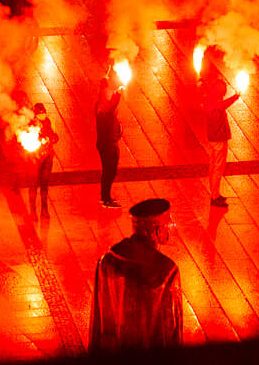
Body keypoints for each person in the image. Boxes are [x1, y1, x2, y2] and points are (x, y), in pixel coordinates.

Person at [89, 197, 183, 352]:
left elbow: (98, 319)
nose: (172, 227)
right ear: (157, 231)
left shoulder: (108, 260)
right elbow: (172, 327)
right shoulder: (167, 271)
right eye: (169, 223)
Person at [201, 65, 241, 207]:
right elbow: (223, 105)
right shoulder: (216, 103)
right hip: (219, 140)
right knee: (218, 168)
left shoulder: (209, 100)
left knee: (213, 167)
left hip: (212, 138)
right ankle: (215, 196)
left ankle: (215, 193)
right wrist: (236, 97)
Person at [95, 76, 124, 208]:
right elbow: (111, 106)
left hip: (108, 143)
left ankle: (105, 197)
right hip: (108, 145)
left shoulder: (101, 103)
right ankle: (106, 199)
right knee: (109, 172)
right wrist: (118, 94)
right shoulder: (103, 108)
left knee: (108, 171)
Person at [28, 101, 58, 217]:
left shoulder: (49, 121)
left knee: (44, 185)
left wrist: (49, 139)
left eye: (43, 114)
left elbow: (55, 136)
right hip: (35, 158)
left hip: (47, 158)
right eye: (40, 114)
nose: (42, 116)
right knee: (34, 184)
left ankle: (44, 210)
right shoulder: (30, 124)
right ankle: (33, 211)